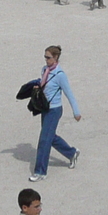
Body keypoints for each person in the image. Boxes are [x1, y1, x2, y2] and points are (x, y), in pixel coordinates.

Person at [28, 45, 82, 180]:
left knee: (44, 140)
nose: (46, 60)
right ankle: (72, 153)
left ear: (56, 57)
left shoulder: (60, 75)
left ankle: (40, 172)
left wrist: (76, 112)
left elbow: (69, 94)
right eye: (45, 57)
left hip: (55, 110)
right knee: (50, 137)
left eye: (48, 57)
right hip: (45, 109)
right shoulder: (44, 70)